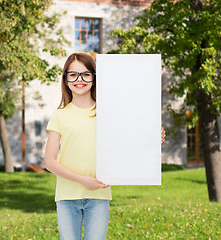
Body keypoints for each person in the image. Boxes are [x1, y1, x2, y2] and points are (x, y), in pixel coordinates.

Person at [45, 52, 166, 240]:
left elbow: (126, 143)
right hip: (67, 196)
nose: (80, 79)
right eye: (73, 74)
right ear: (66, 79)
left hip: (99, 196)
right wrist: (83, 180)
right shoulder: (60, 115)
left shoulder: (108, 113)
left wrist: (151, 138)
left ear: (94, 78)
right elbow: (50, 162)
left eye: (86, 74)